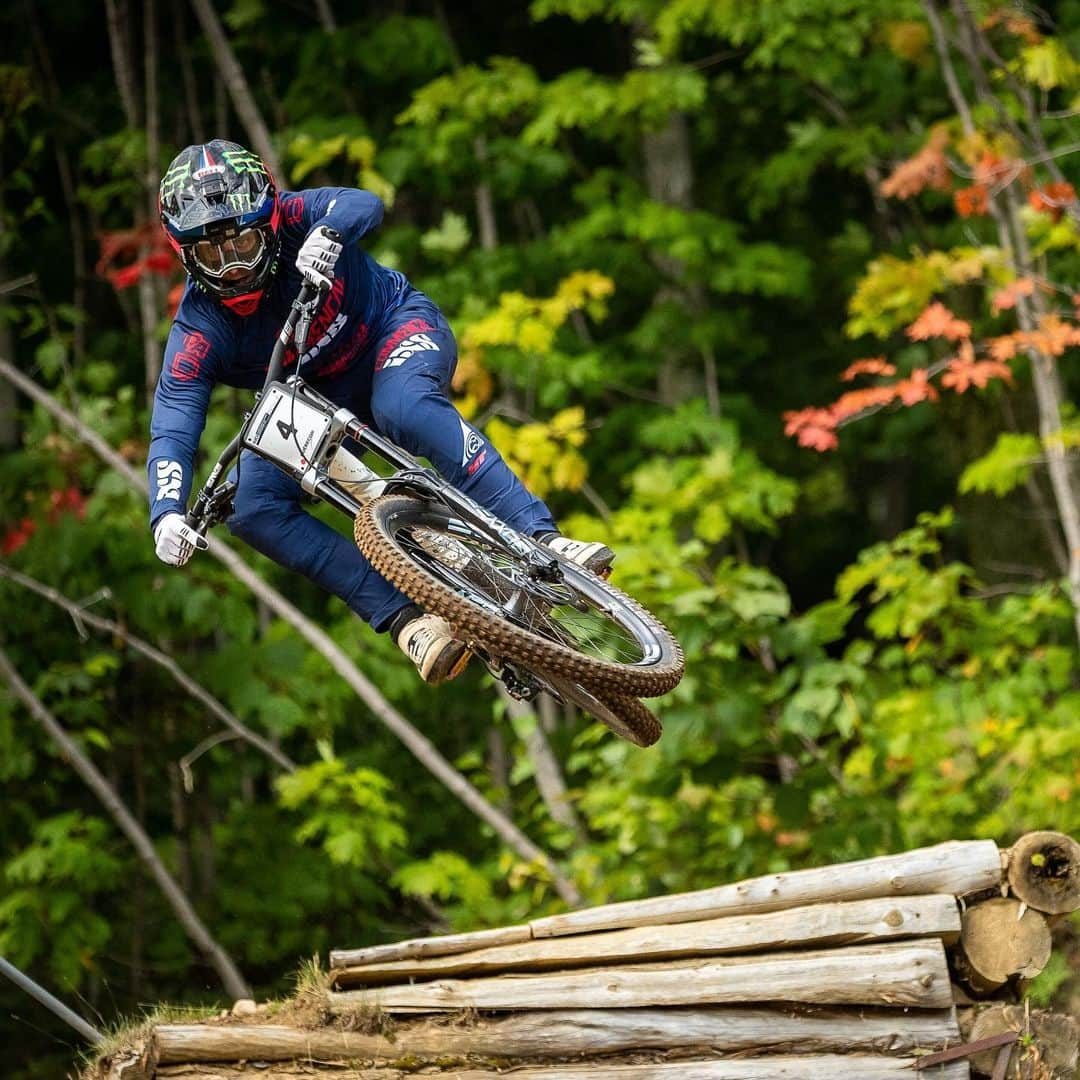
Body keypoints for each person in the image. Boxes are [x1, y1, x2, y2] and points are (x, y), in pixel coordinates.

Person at [148, 139, 612, 683]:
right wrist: (168, 511)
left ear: (271, 220)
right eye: (210, 254)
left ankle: (544, 539)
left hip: (392, 331)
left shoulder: (299, 216)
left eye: (244, 242)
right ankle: (410, 622)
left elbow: (362, 201)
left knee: (406, 408)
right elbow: (175, 416)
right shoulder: (198, 329)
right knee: (254, 510)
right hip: (315, 398)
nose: (232, 269)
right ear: (184, 255)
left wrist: (329, 233)